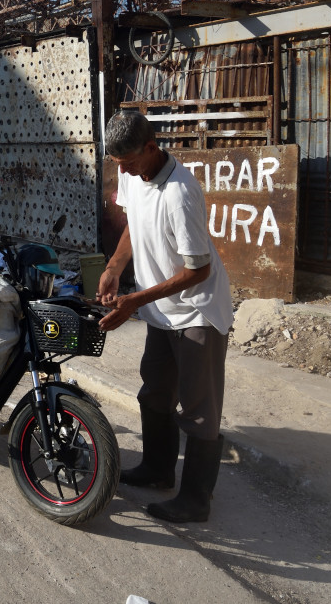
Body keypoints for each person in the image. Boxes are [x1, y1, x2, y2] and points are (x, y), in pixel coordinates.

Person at [96, 111, 233, 524]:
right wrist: (114, 268)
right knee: (155, 391)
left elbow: (198, 270)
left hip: (197, 312)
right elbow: (133, 226)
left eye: (130, 163)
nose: (125, 173)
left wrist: (134, 301)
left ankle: (195, 499)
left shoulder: (181, 193)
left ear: (152, 148)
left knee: (198, 408)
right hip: (161, 310)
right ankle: (158, 470)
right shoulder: (132, 171)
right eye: (118, 165)